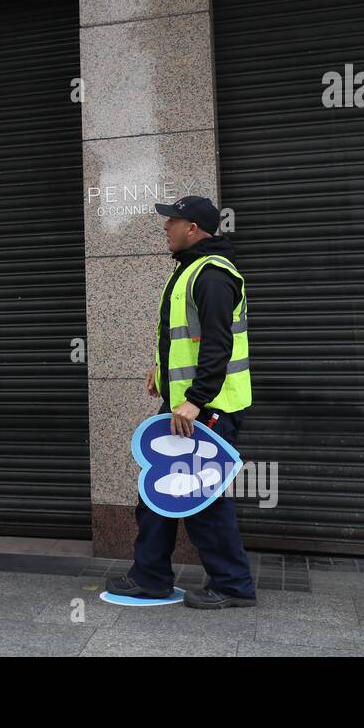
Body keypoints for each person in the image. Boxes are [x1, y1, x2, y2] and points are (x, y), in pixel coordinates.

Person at [106, 196, 257, 609]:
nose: (165, 227)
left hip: (208, 409)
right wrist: (161, 368)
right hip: (185, 405)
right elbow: (182, 338)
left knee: (202, 501)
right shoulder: (190, 270)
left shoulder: (211, 275)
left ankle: (232, 585)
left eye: (171, 221)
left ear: (192, 228)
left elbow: (218, 346)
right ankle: (150, 576)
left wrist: (194, 399)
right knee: (157, 491)